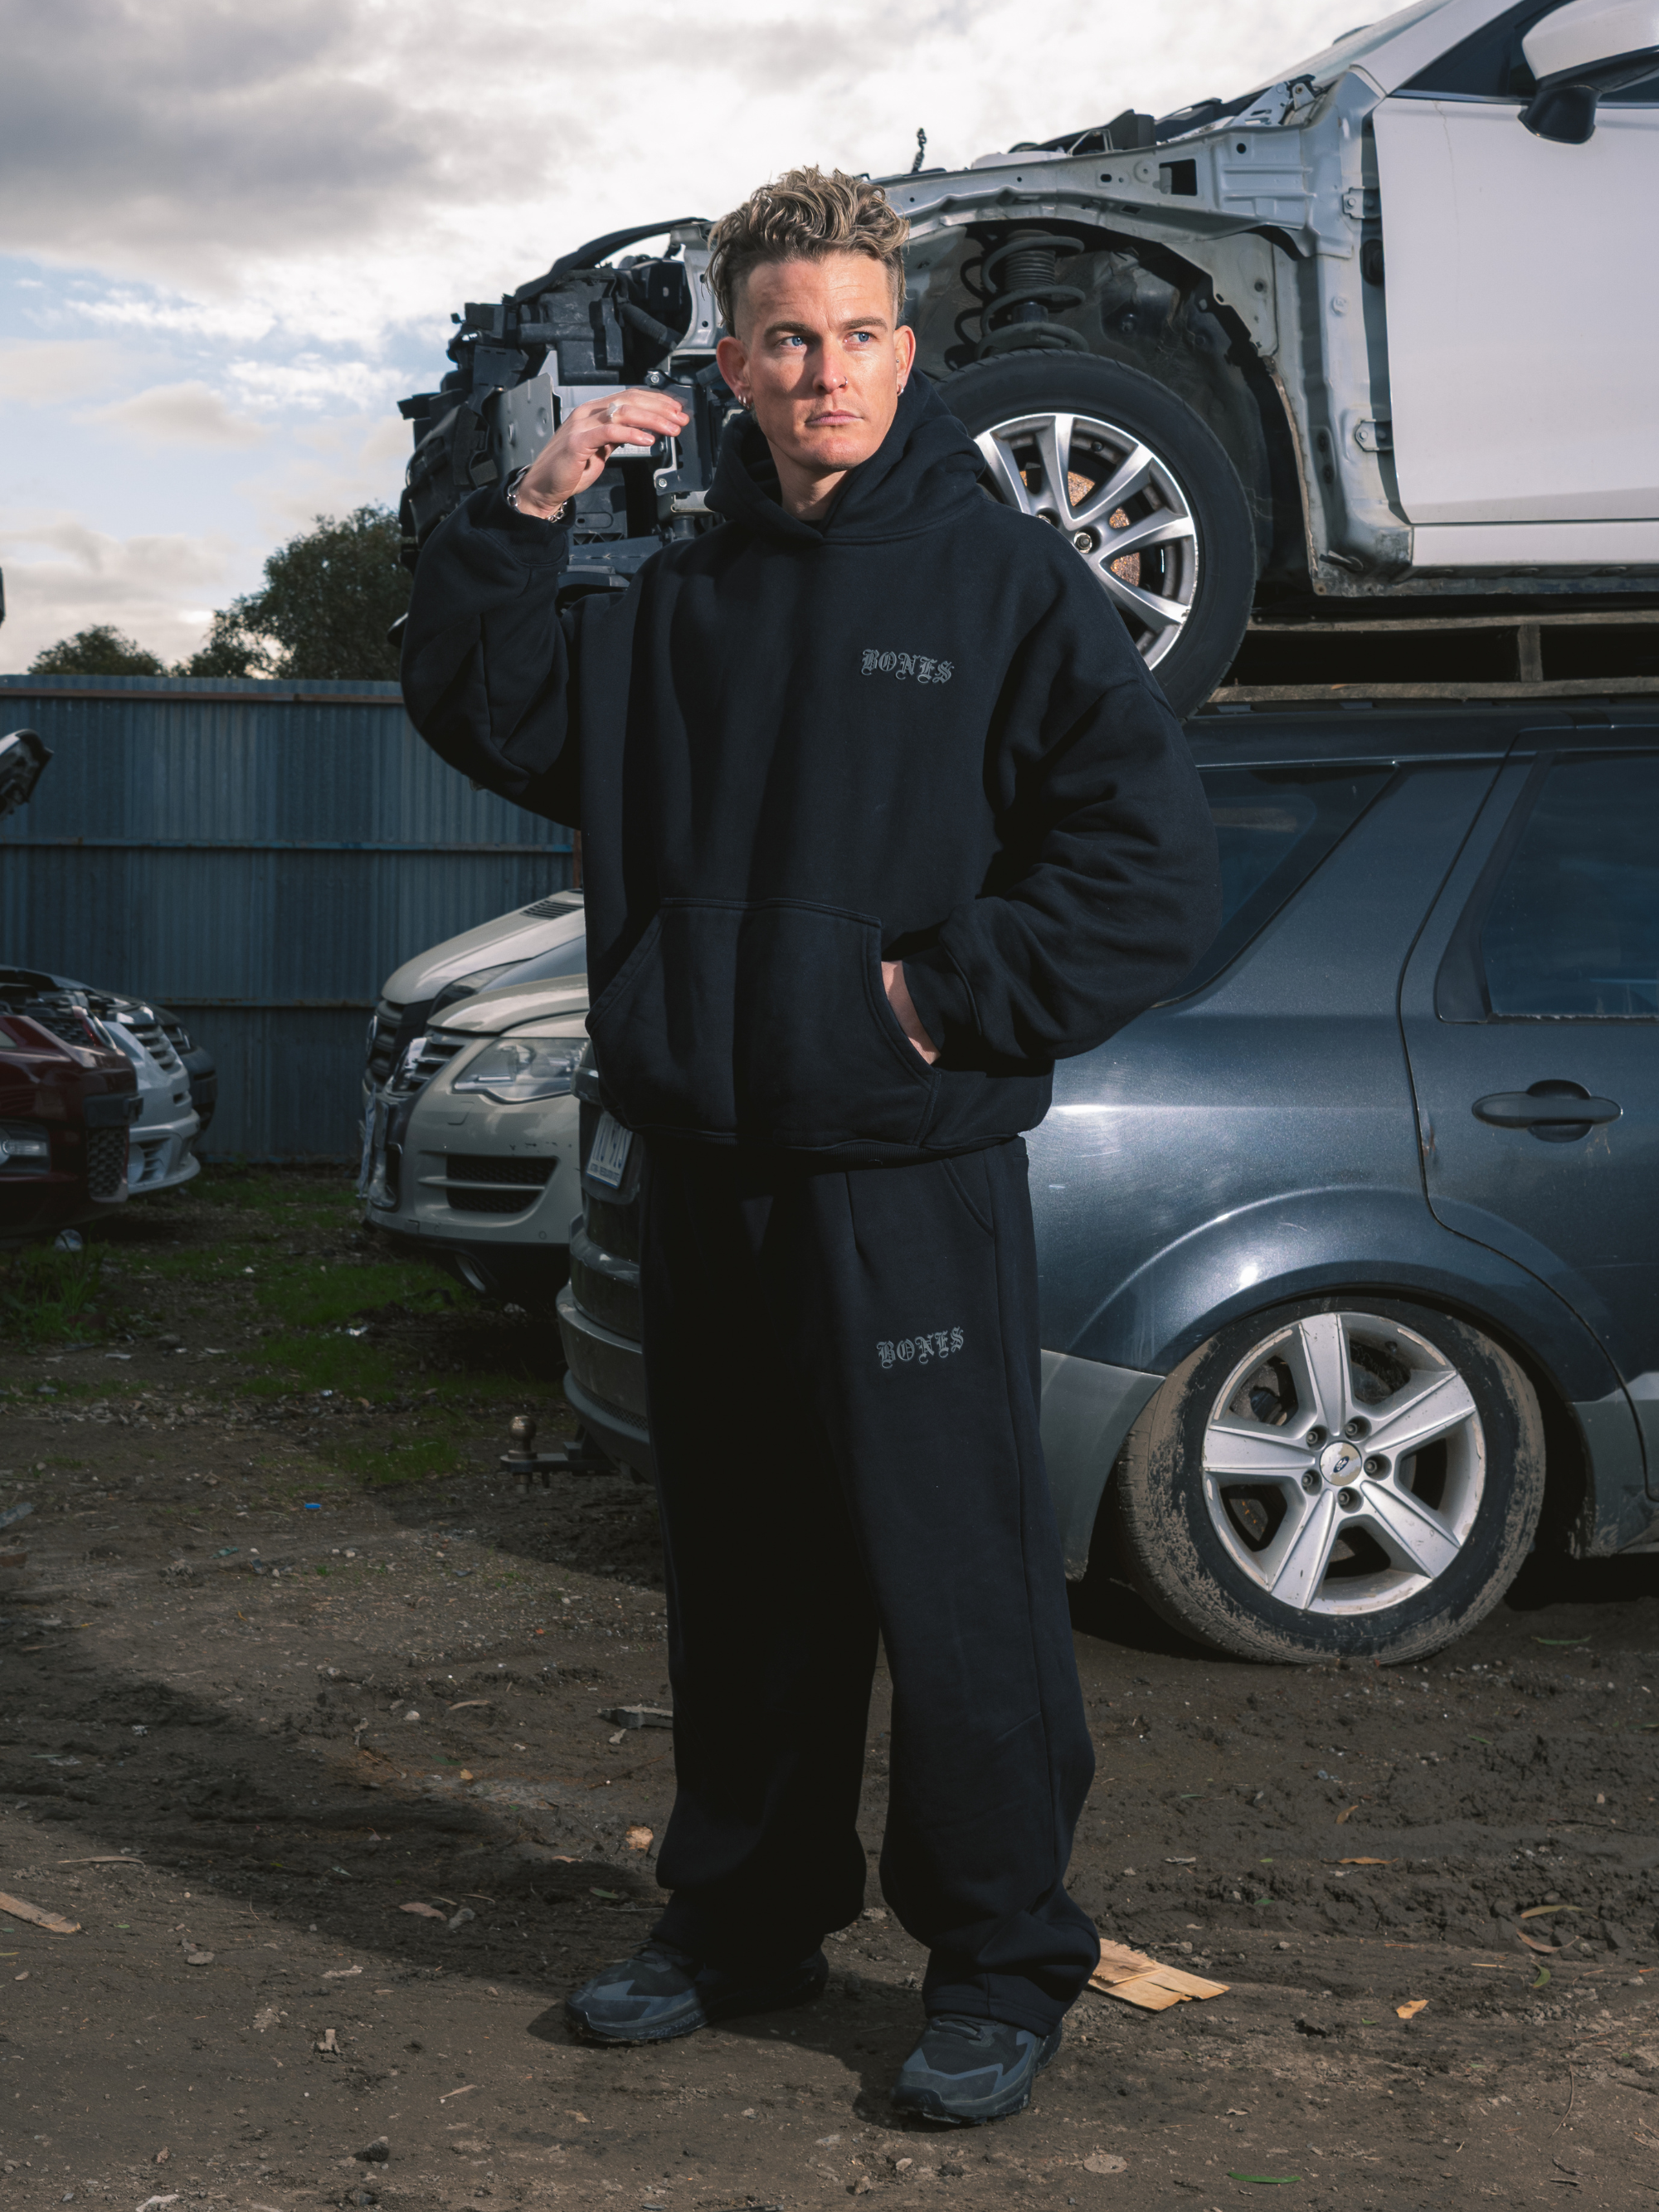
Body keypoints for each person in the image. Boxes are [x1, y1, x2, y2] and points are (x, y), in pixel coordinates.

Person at [401, 167, 1220, 2126]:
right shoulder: (675, 598)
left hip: (900, 1174)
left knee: (953, 1585)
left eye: (858, 335)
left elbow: (1145, 872)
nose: (825, 371)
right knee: (747, 1578)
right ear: (735, 363)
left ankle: (1001, 1957)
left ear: (905, 352)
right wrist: (528, 509)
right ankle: (746, 1917)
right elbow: (481, 700)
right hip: (707, 1166)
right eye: (787, 338)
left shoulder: (1005, 584)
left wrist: (938, 999)